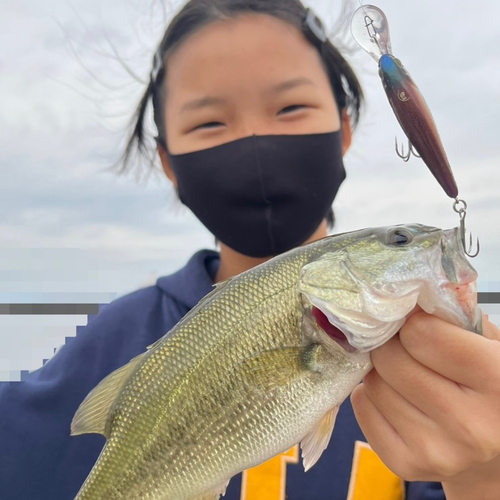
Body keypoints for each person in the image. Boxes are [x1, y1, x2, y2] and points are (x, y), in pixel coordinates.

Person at [1, 1, 499, 499]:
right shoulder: (109, 342)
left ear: (344, 128)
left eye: (290, 108)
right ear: (169, 162)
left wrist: (482, 475)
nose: (255, 141)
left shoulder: (444, 370)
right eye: (209, 123)